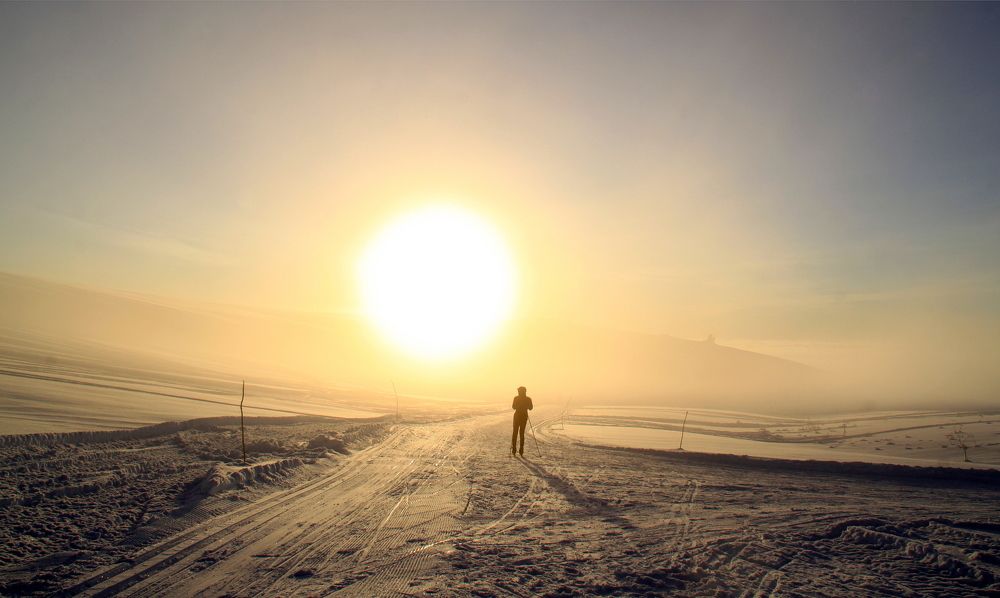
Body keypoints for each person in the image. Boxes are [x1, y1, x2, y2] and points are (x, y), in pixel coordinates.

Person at [511, 386, 533, 456]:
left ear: (519, 391)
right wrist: (526, 406)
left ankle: (514, 449)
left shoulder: (516, 398)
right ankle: (521, 450)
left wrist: (518, 405)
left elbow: (513, 407)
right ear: (525, 391)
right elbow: (531, 408)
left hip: (517, 416)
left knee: (515, 432)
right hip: (524, 416)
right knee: (522, 433)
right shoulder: (528, 399)